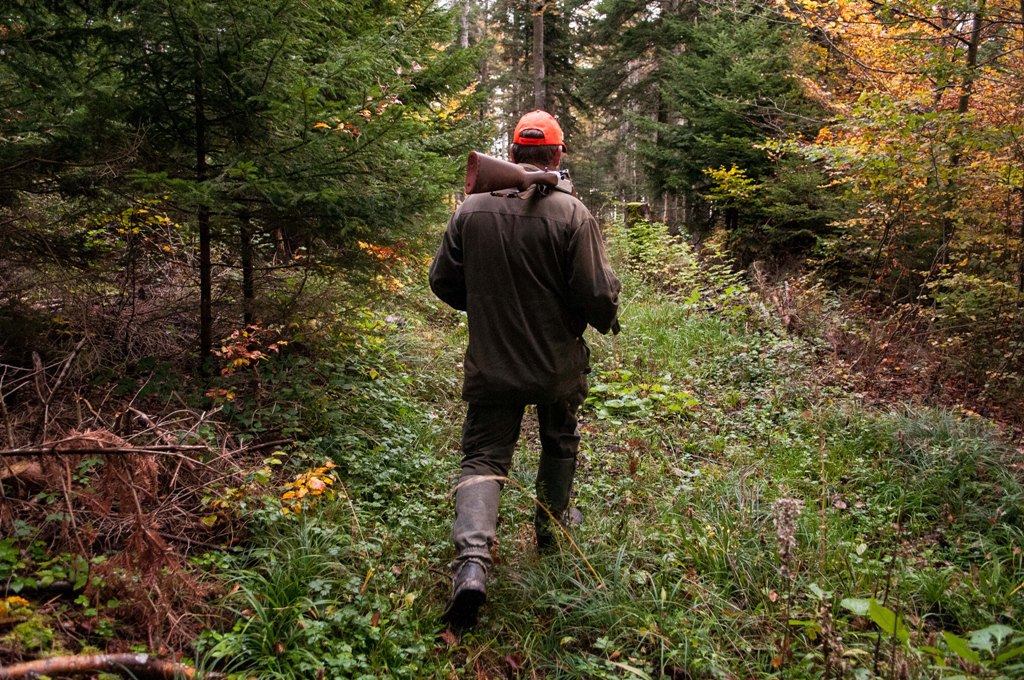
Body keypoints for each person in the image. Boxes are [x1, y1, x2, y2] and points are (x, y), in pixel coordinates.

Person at [429, 110, 621, 628]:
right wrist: (607, 317)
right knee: (559, 440)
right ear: (556, 156)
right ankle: (551, 532)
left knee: (483, 459)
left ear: (512, 154)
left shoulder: (470, 210)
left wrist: (488, 308)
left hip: (492, 363)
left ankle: (472, 564)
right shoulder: (573, 214)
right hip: (557, 364)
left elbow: (443, 281)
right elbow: (597, 294)